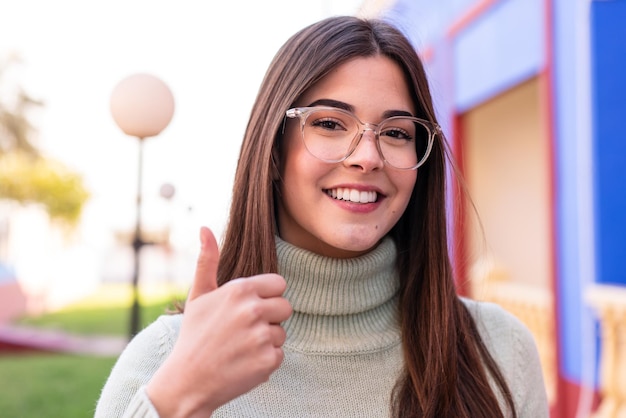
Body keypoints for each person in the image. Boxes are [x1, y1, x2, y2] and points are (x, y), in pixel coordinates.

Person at [95, 15, 549, 418]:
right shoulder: (167, 360)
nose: (367, 157)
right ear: (272, 151)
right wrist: (179, 399)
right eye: (331, 123)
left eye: (395, 132)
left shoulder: (499, 349)